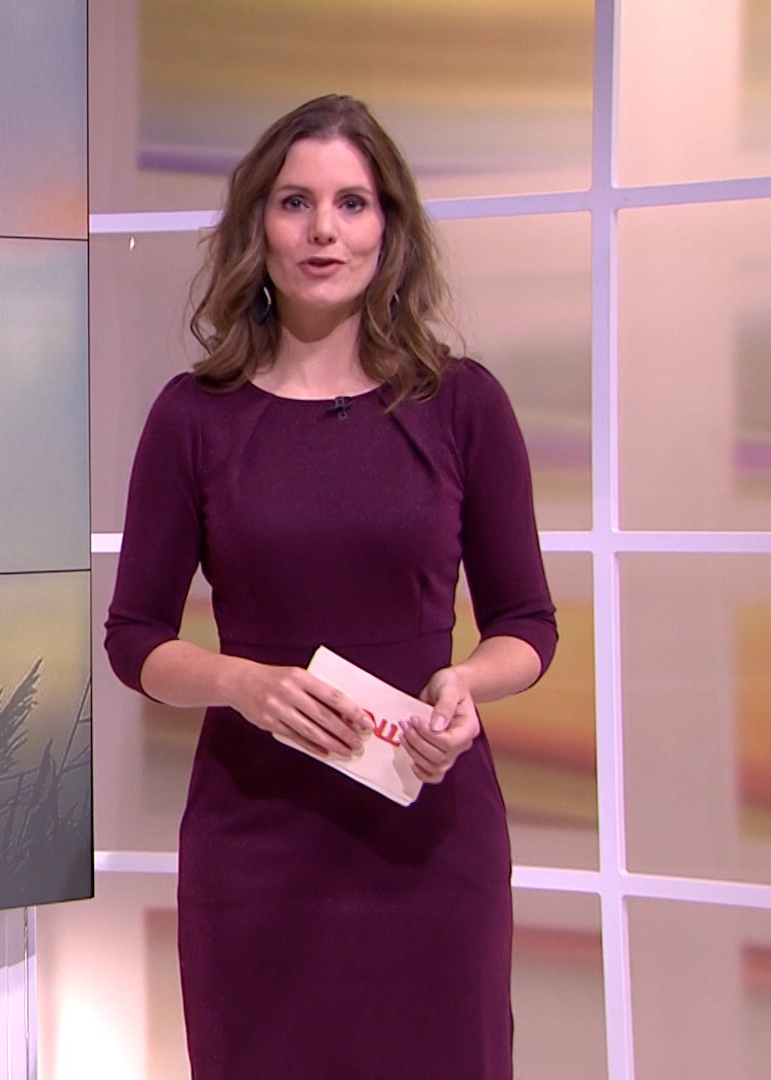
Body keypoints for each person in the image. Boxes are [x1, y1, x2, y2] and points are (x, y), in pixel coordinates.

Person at [103, 94, 558, 1080]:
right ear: (257, 226)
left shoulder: (462, 406)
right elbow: (134, 638)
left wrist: (467, 685)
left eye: (352, 203)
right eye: (295, 202)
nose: (324, 230)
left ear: (388, 226)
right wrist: (240, 683)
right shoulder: (193, 418)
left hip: (428, 833)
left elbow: (527, 624)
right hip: (256, 844)